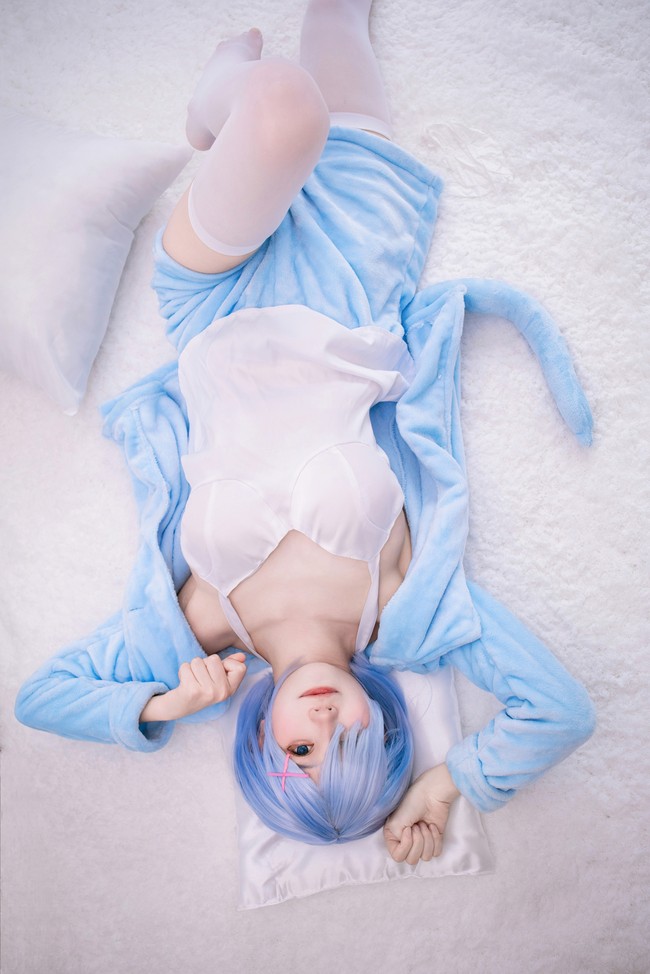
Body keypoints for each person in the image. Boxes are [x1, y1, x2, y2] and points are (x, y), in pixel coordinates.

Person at [14, 0, 595, 866]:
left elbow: (39, 699)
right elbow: (560, 712)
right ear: (385, 725)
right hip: (355, 275)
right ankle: (227, 99)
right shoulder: (409, 613)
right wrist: (446, 784)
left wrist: (161, 706)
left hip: (217, 301)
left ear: (260, 742)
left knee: (285, 108)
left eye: (301, 750)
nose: (324, 722)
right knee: (338, 20)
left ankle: (219, 96)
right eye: (352, 743)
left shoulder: (195, 629)